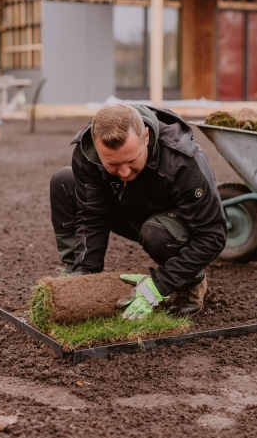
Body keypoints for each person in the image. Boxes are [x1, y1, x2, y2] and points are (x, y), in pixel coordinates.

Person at [49, 102, 227, 319]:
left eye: (131, 160)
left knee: (155, 233)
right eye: (112, 164)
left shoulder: (181, 161)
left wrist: (160, 284)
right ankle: (74, 272)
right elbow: (92, 217)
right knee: (63, 182)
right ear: (97, 146)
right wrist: (83, 282)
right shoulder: (87, 154)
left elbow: (213, 235)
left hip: (172, 226)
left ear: (146, 136)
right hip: (129, 209)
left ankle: (191, 283)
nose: (123, 172)